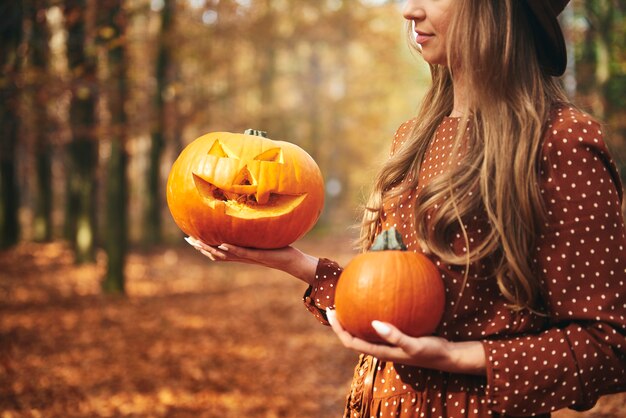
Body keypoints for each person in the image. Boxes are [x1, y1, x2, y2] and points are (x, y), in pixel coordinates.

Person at [185, 0, 626, 416]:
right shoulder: (413, 137)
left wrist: (457, 357)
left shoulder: (560, 141)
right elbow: (393, 297)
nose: (409, 10)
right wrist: (297, 264)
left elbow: (611, 346)